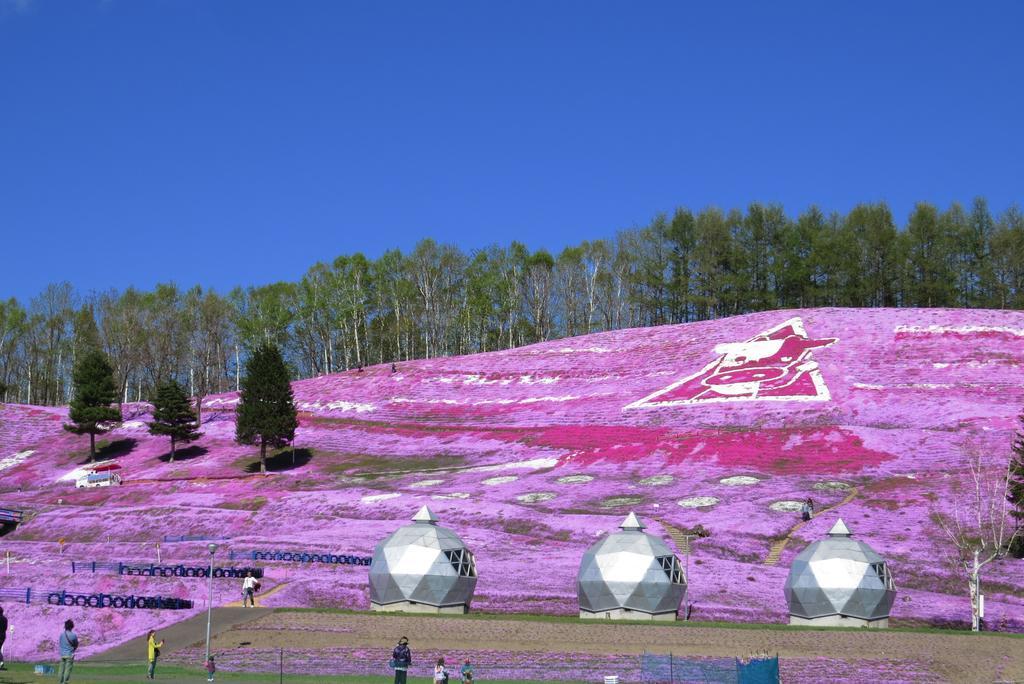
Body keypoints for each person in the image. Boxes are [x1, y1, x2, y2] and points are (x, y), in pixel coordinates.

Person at [57, 619, 78, 684]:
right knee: (67, 670)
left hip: (62, 654)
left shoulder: (61, 635)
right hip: (69, 654)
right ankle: (65, 682)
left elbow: (60, 643)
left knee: (61, 670)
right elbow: (76, 644)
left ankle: (60, 682)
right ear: (72, 626)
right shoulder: (73, 635)